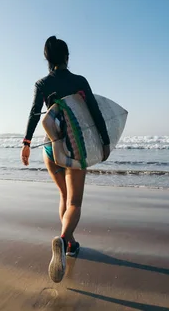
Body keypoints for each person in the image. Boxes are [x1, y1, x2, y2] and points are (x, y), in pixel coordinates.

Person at [21, 35, 110, 283]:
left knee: (63, 196)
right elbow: (95, 112)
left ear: (47, 59)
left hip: (51, 150)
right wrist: (104, 141)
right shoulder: (79, 82)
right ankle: (62, 240)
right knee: (75, 203)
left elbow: (33, 114)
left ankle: (70, 244)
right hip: (74, 151)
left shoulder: (41, 84)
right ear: (67, 57)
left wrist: (26, 144)